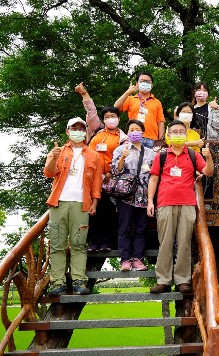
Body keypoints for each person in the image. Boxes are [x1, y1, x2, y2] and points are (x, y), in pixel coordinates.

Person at [147, 120, 214, 294]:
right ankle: (163, 280)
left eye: (180, 132)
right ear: (168, 135)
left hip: (187, 203)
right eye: (174, 132)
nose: (177, 134)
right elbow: (153, 179)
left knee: (184, 243)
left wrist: (208, 157)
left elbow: (208, 172)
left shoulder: (193, 154)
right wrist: (149, 201)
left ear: (186, 135)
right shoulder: (161, 156)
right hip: (164, 203)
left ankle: (183, 280)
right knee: (165, 243)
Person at [44, 117, 102, 296]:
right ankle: (57, 282)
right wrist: (53, 158)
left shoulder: (94, 155)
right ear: (68, 131)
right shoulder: (58, 151)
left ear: (85, 132)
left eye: (81, 128)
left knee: (79, 244)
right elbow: (49, 172)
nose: (78, 131)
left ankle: (79, 280)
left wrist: (94, 202)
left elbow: (96, 184)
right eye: (74, 128)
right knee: (57, 244)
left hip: (81, 203)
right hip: (58, 202)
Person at [75, 83, 127, 252]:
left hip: (113, 179)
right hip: (92, 177)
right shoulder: (96, 132)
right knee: (92, 211)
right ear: (103, 119)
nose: (110, 118)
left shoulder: (124, 137)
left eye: (113, 116)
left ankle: (106, 242)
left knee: (108, 210)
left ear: (118, 118)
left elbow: (124, 158)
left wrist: (112, 173)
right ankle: (92, 242)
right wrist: (85, 95)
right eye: (107, 116)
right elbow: (91, 113)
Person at [111, 120, 157, 271]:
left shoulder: (151, 153)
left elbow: (154, 173)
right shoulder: (120, 150)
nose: (135, 132)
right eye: (132, 129)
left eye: (138, 129)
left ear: (142, 132)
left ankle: (138, 259)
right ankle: (125, 260)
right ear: (128, 132)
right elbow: (115, 172)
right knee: (124, 227)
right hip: (126, 195)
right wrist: (123, 157)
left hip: (143, 194)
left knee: (141, 228)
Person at [192, 82, 219, 202]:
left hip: (210, 144)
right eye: (199, 90)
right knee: (193, 171)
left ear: (208, 94)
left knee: (209, 172)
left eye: (204, 90)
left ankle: (208, 201)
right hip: (194, 145)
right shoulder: (190, 109)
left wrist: (216, 108)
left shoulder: (213, 108)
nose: (201, 92)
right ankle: (193, 199)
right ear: (194, 93)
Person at [114, 71, 165, 148]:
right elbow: (116, 107)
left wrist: (160, 140)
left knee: (150, 160)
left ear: (152, 85)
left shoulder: (157, 102)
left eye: (148, 81)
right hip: (134, 137)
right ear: (137, 84)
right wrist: (127, 93)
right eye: (142, 81)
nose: (145, 83)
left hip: (152, 140)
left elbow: (160, 122)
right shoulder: (130, 99)